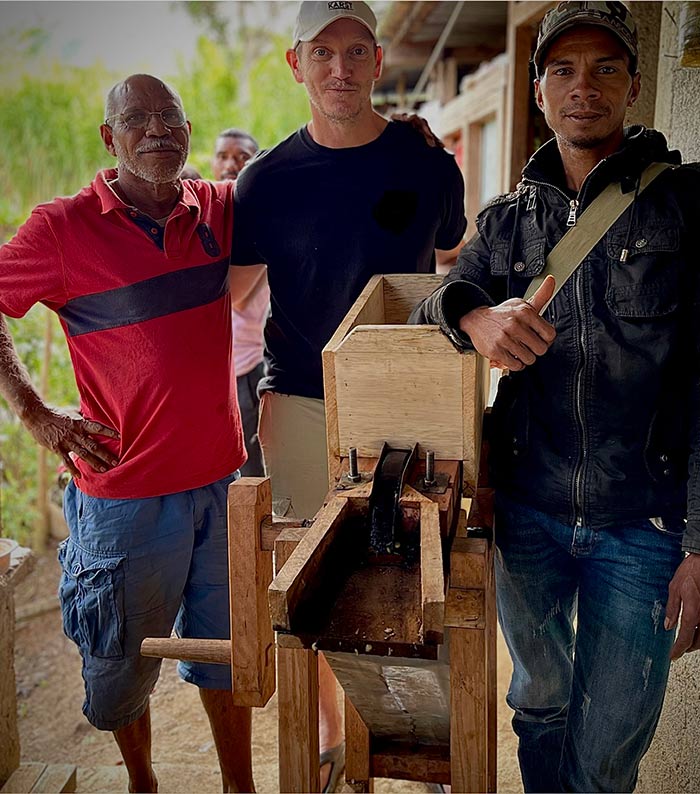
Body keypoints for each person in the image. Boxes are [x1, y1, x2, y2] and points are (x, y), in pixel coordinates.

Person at [411, 2, 700, 791]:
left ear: (635, 86)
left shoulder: (687, 206)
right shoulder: (508, 219)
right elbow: (436, 299)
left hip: (643, 526)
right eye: (563, 70)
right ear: (538, 90)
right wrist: (475, 316)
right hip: (529, 514)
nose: (584, 87)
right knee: (537, 706)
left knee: (606, 754)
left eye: (606, 68)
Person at [231, 2, 467, 789]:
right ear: (296, 64)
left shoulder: (427, 161)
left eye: (356, 51)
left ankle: (429, 748)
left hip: (404, 398)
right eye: (322, 52)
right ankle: (338, 748)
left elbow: (449, 262)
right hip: (297, 401)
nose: (340, 68)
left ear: (377, 59)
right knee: (310, 583)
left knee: (415, 578)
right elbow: (228, 298)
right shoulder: (263, 181)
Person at [0, 74, 256, 794]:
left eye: (169, 117)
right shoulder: (61, 228)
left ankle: (241, 786)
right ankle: (143, 785)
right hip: (125, 497)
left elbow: (302, 183)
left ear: (187, 128)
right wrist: (35, 413)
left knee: (226, 655)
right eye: (136, 119)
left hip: (218, 483)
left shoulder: (214, 207)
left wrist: (399, 134)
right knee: (119, 665)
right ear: (109, 138)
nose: (156, 131)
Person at [211, 128, 268, 477]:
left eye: (242, 156)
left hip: (249, 366)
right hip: (215, 369)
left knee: (251, 472)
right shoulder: (209, 212)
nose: (231, 164)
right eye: (224, 156)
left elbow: (238, 296)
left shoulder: (256, 214)